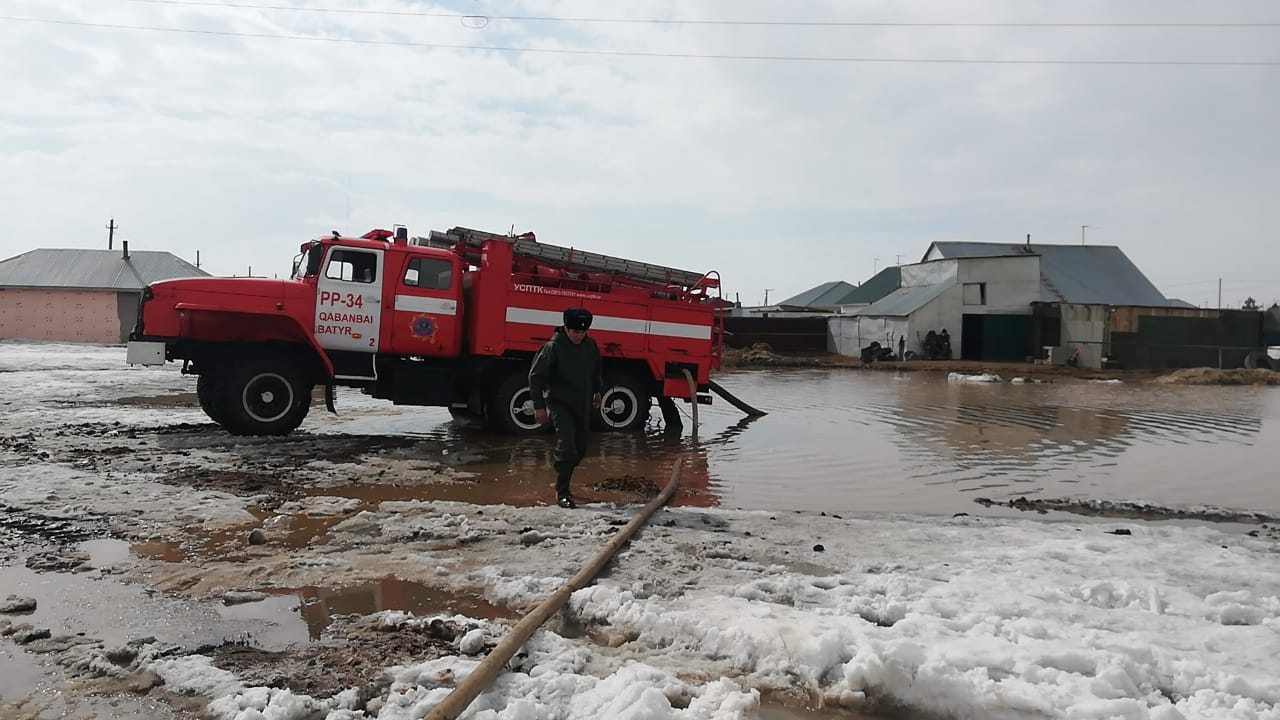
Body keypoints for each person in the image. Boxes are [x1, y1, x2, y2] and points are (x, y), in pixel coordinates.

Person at [529, 307, 603, 508]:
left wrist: (598, 391)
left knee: (580, 448)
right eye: (575, 332)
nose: (578, 336)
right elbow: (535, 378)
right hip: (560, 403)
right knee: (567, 445)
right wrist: (539, 407)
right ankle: (562, 491)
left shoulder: (590, 346)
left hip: (583, 402)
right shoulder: (553, 348)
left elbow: (596, 369)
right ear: (566, 328)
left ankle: (564, 479)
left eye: (582, 332)